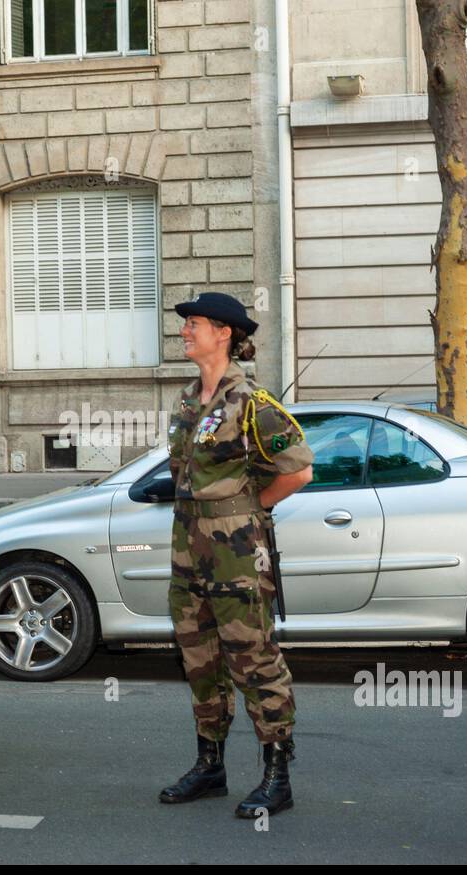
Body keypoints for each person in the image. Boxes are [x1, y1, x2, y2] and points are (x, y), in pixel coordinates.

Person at [158, 292, 313, 818]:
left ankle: (277, 774)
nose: (185, 331)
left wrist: (247, 510)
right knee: (199, 660)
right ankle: (210, 765)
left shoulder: (251, 402)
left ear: (224, 332)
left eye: (194, 324)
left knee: (254, 660)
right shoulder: (187, 401)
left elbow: (299, 469)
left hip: (237, 556)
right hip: (188, 552)